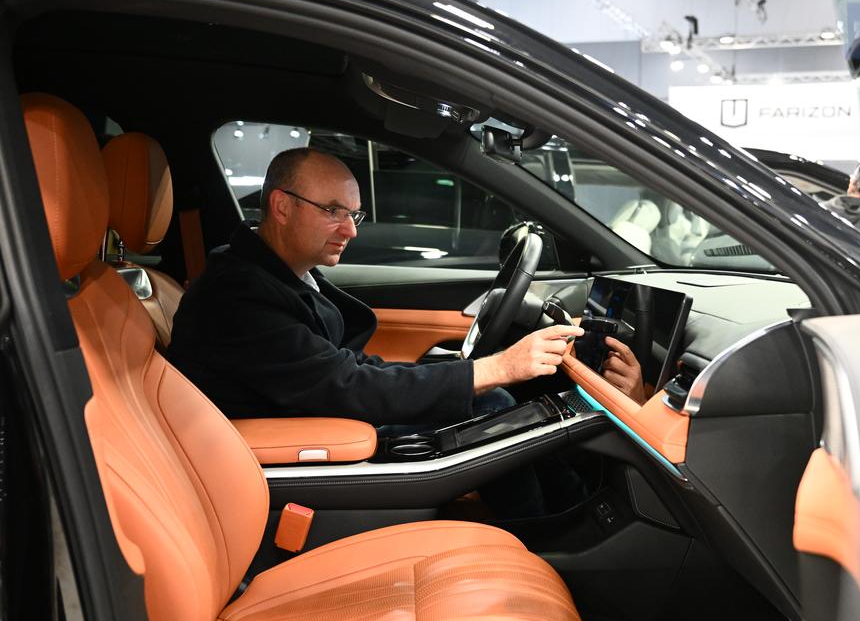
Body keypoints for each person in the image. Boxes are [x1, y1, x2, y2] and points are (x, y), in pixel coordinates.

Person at [167, 148, 587, 515]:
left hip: (312, 422)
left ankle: (564, 521)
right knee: (496, 406)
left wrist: (466, 374)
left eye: (354, 214)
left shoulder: (272, 272)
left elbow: (337, 367)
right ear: (281, 206)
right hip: (293, 458)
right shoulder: (238, 293)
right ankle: (550, 536)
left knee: (499, 404)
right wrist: (494, 369)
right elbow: (341, 385)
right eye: (333, 211)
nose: (350, 230)